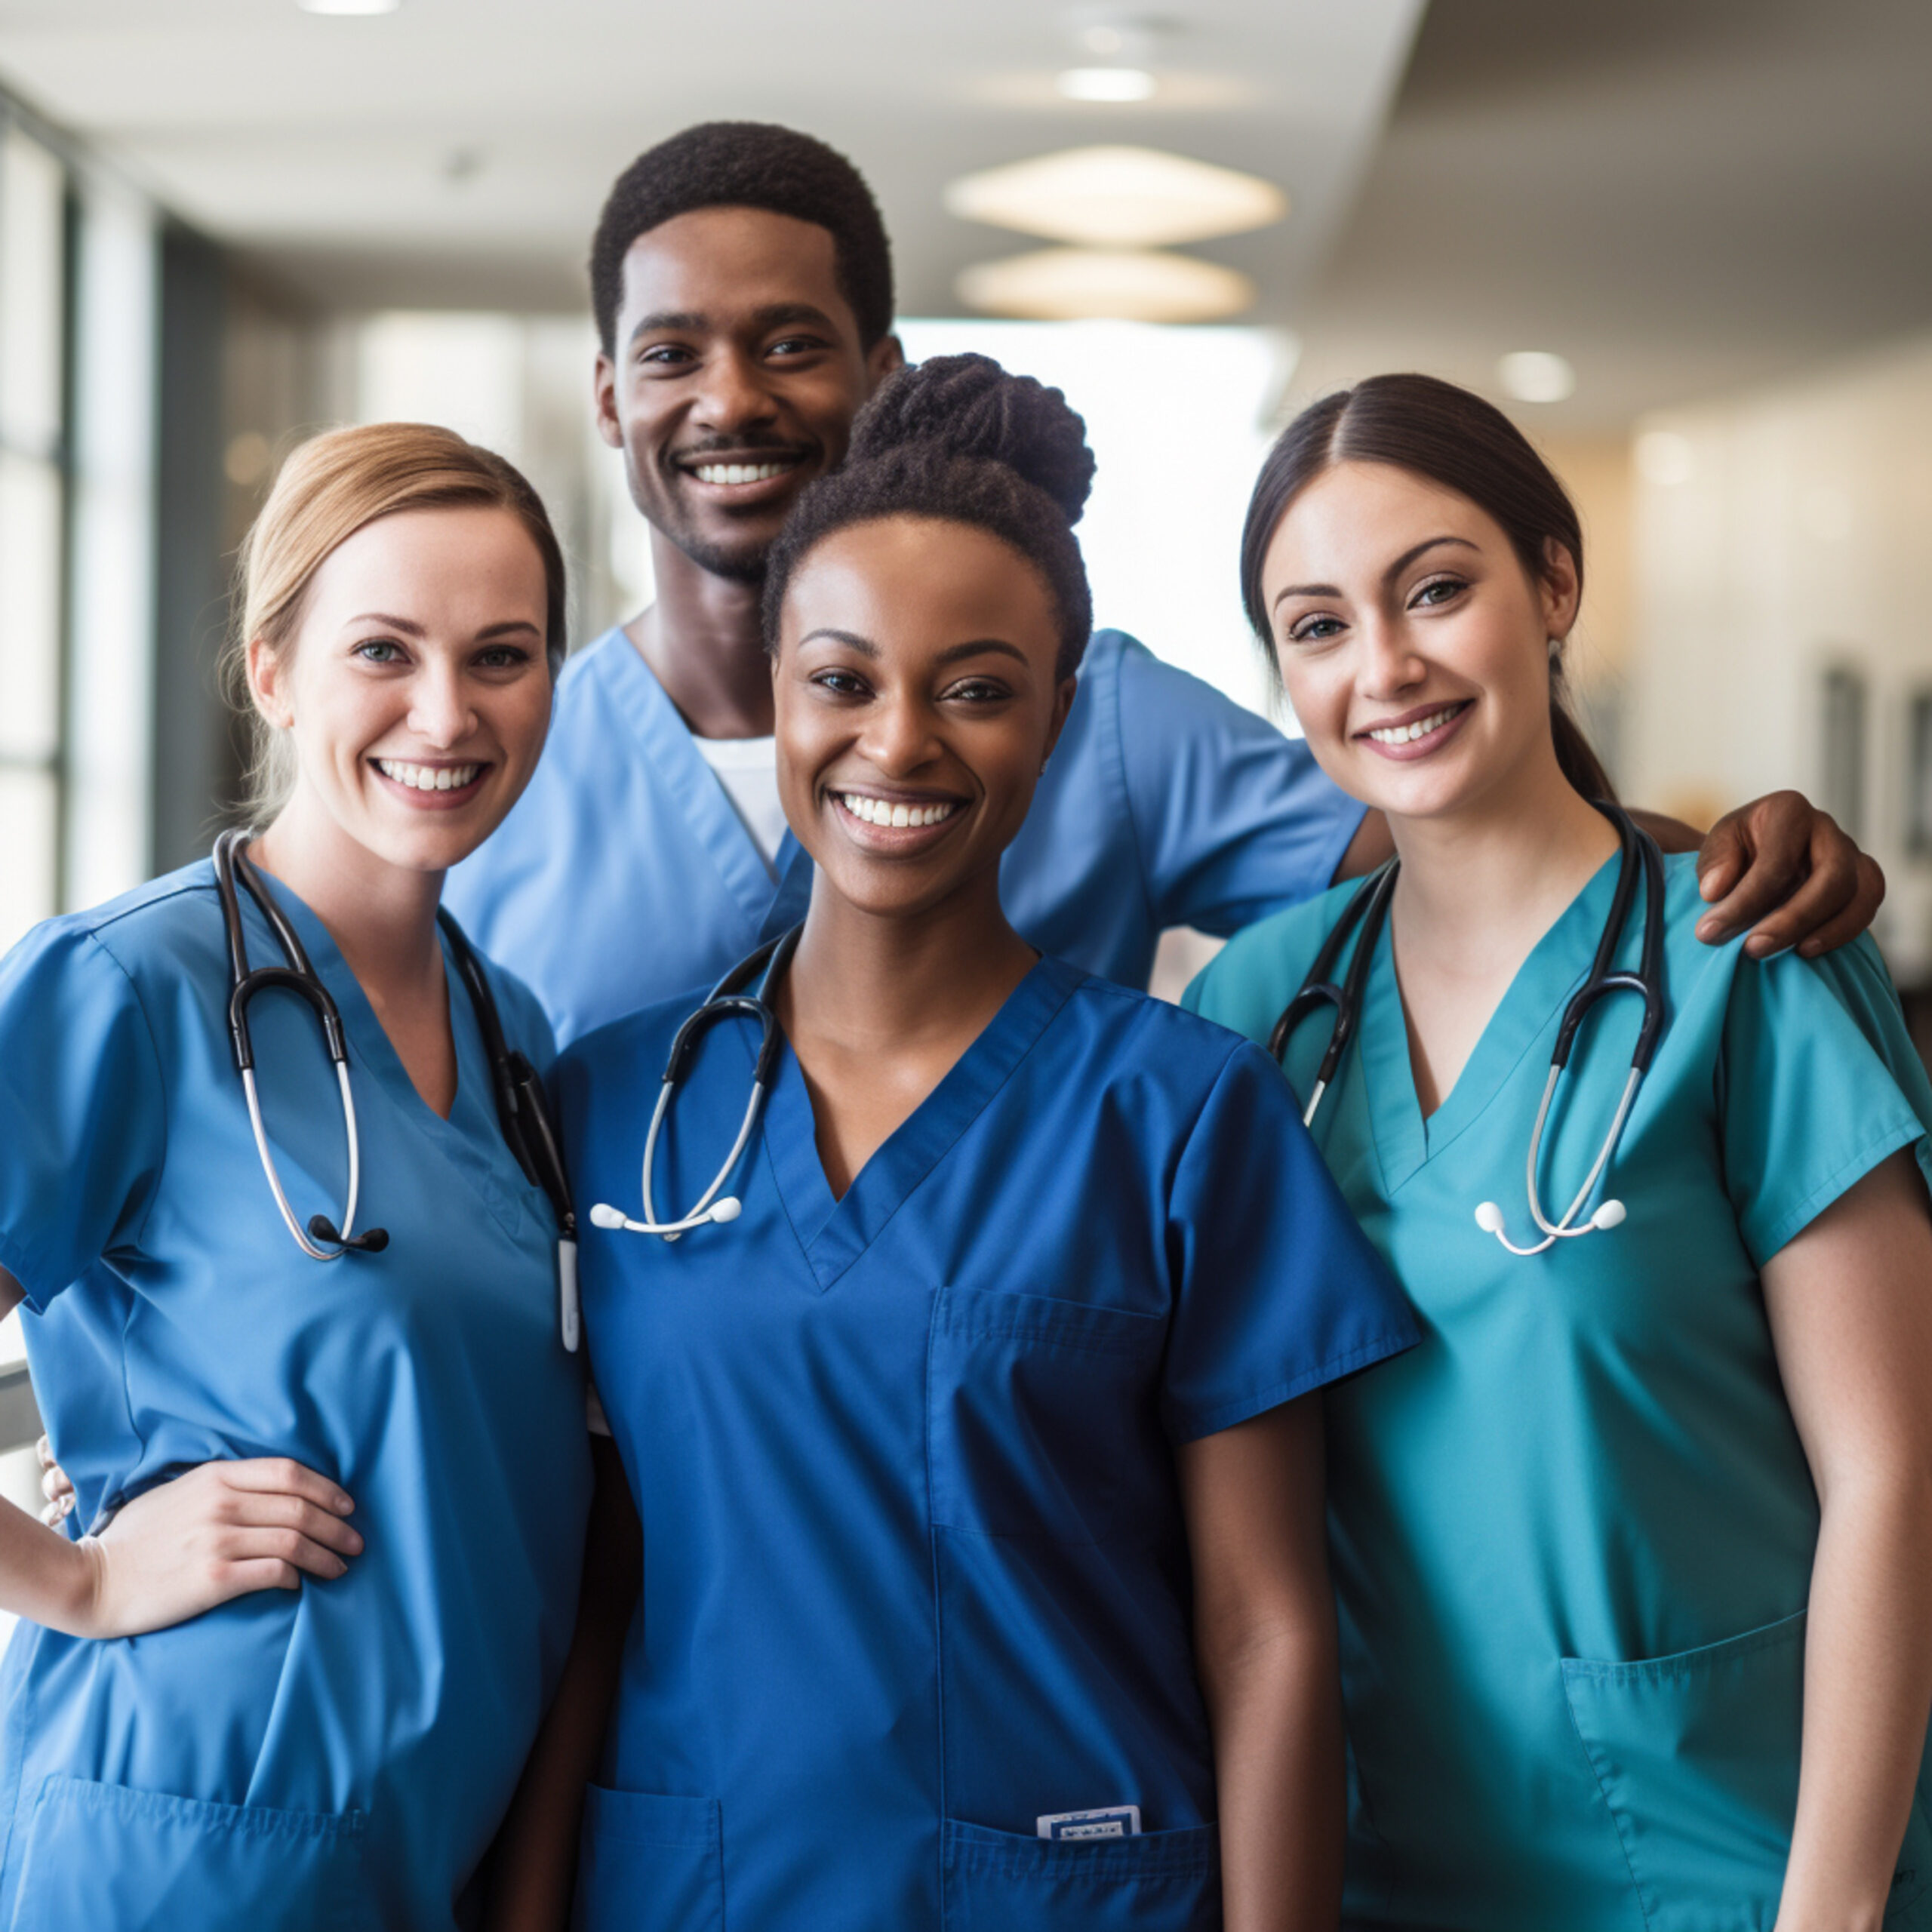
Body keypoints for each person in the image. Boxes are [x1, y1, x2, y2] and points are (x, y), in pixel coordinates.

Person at [485, 355, 1421, 1932]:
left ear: (1055, 720)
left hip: (1076, 1886)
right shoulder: (613, 1109)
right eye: (841, 680)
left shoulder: (1180, 1114)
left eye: (975, 687)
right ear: (776, 693)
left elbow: (1265, 1627)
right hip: (704, 1885)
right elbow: (595, 1585)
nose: (897, 741)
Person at [442, 120, 1882, 1051]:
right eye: (674, 354)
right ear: (610, 398)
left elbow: (1464, 847)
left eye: (790, 343)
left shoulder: (1106, 717)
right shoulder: (511, 763)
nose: (731, 399)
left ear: (882, 371)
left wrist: (1720, 854)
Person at [1184, 374, 1932, 1929]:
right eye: (1316, 626)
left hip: (1726, 1852)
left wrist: (1833, 1906)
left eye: (1434, 589)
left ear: (1553, 581)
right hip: (1376, 1858)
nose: (1382, 666)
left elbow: (1891, 1468)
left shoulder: (1745, 960)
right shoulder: (1259, 1005)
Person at [0, 424, 593, 1930]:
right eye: (382, 649)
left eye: (502, 655)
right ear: (272, 669)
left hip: (441, 1840)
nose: (446, 712)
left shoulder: (512, 1034)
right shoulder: (127, 984)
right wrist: (79, 1584)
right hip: (197, 1842)